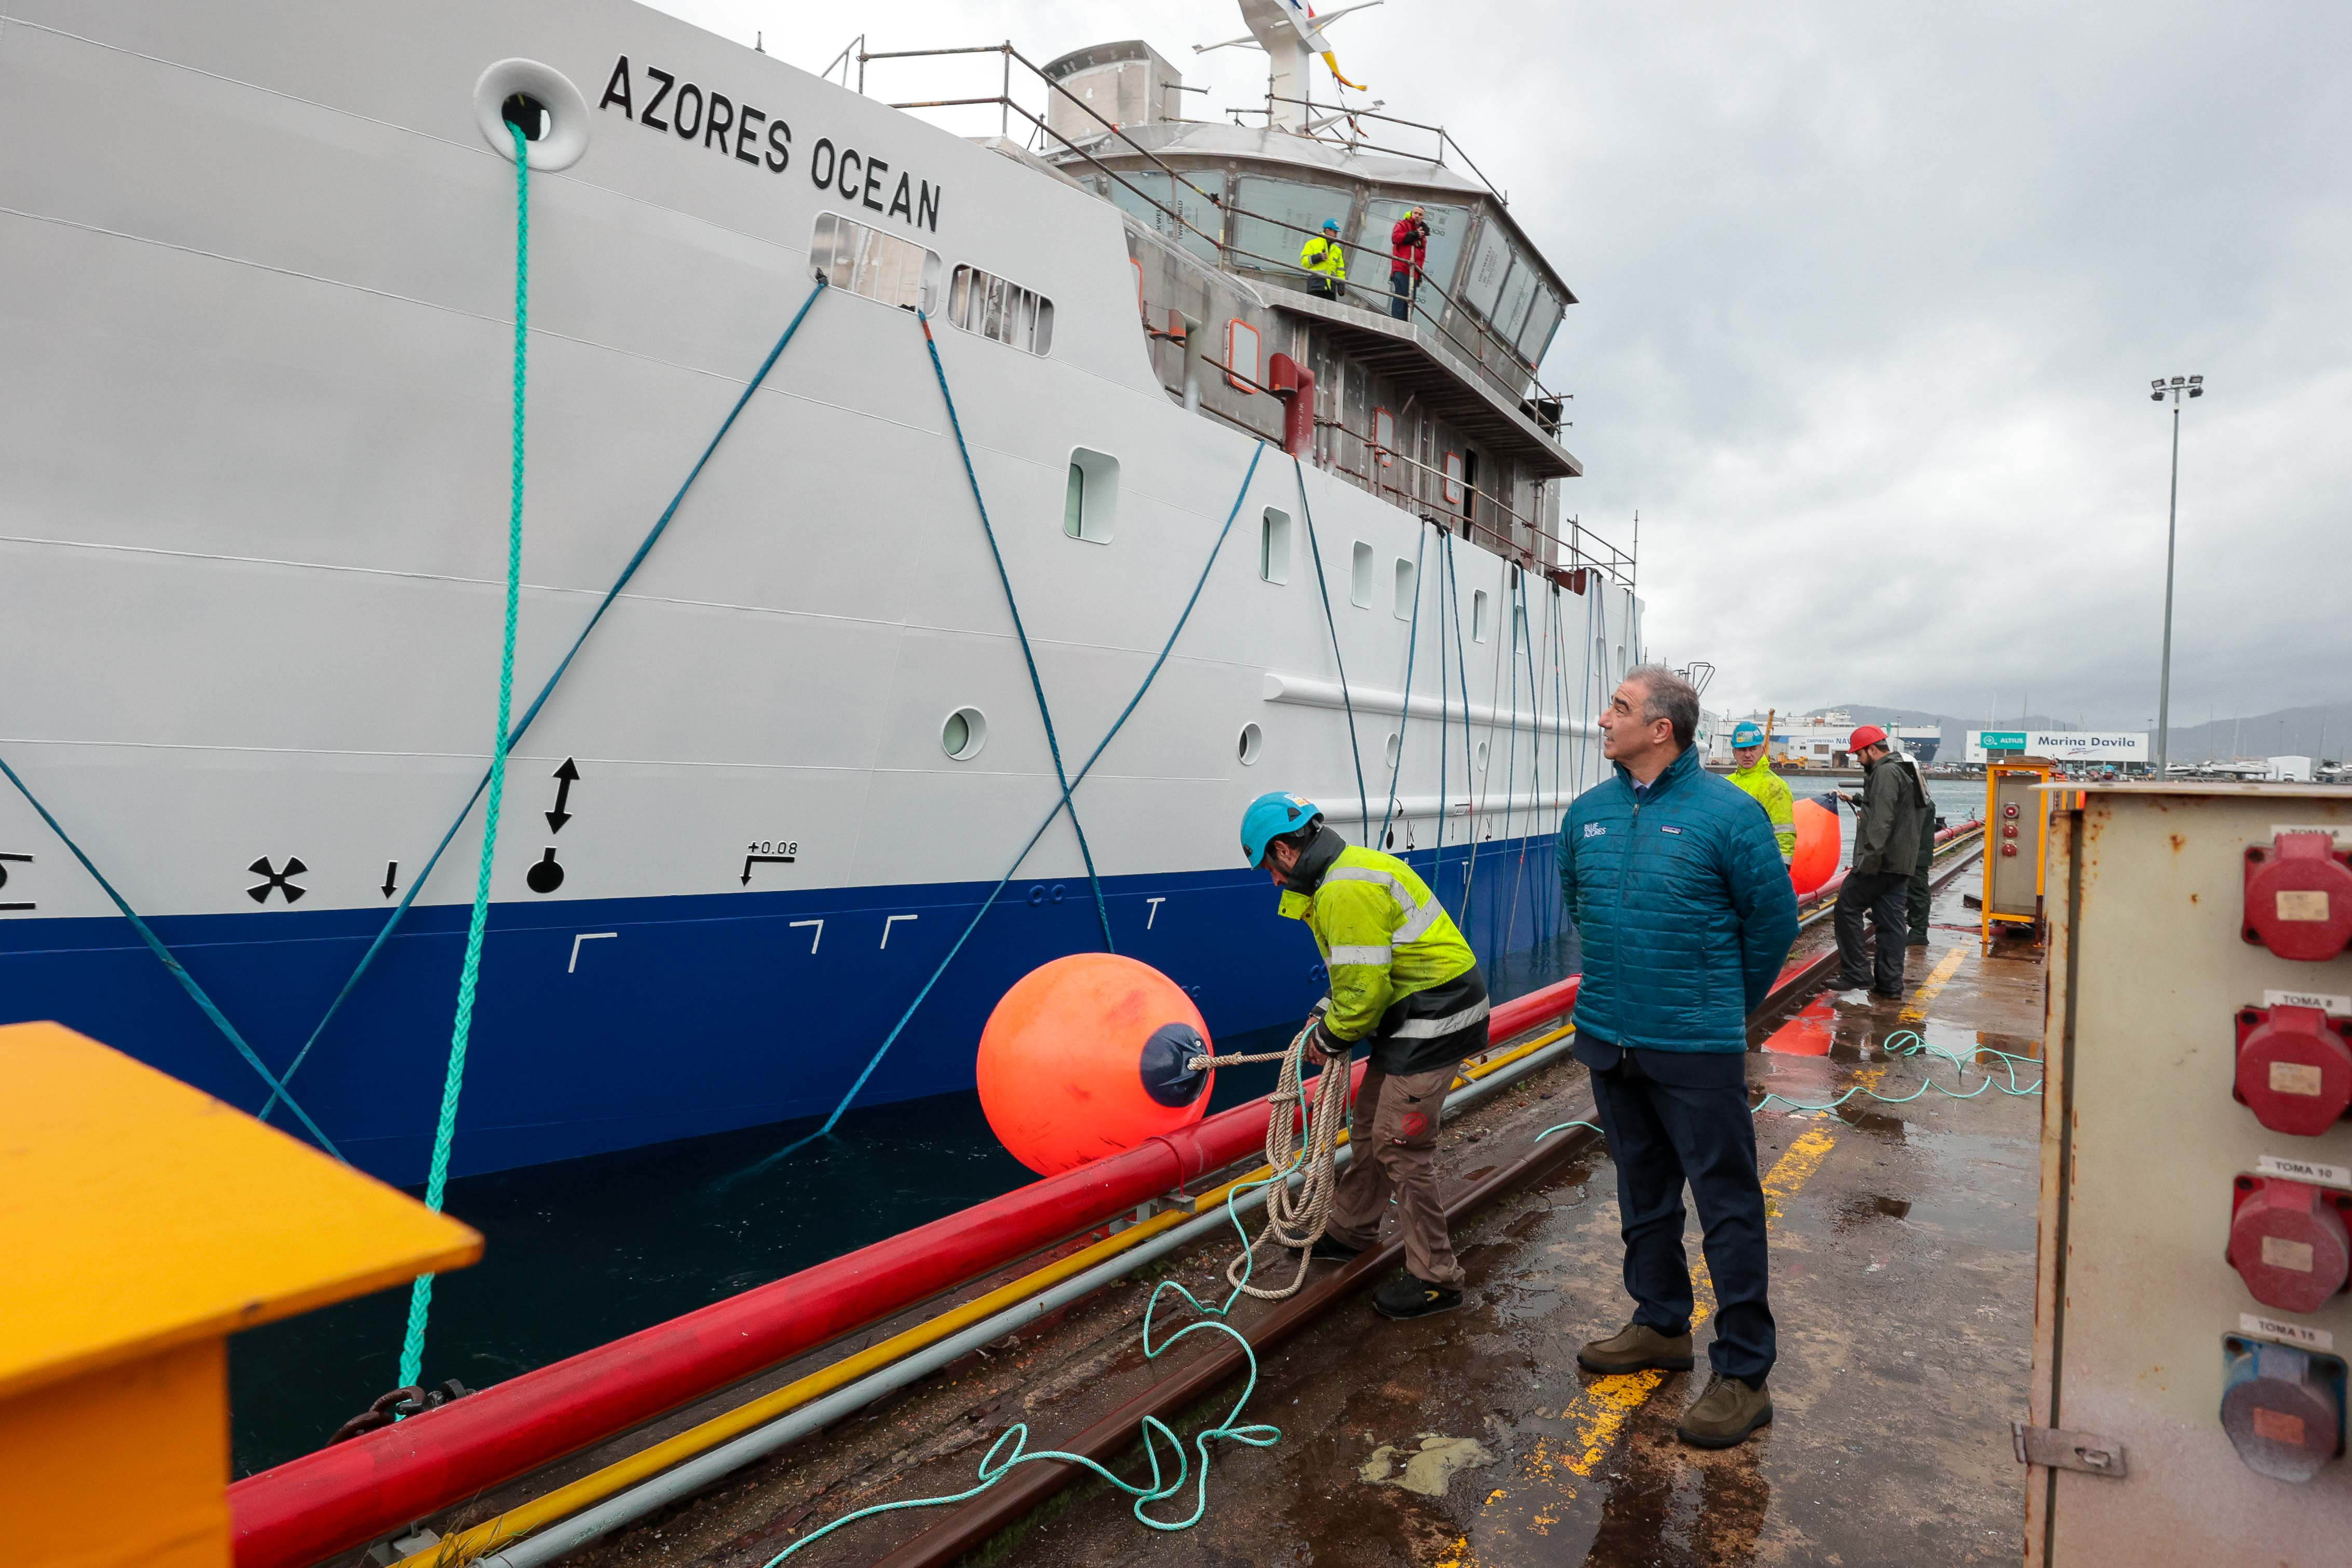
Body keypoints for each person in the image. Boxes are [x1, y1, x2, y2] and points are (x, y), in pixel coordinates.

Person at [1556, 667, 1799, 1449]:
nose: (1604, 718)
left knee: (1725, 1203)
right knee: (1643, 1193)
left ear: (1661, 728)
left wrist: (1719, 1005)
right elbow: (1581, 905)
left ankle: (1742, 1373)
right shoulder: (1587, 813)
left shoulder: (1726, 815)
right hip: (1608, 1035)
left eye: (1619, 709)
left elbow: (1771, 921)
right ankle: (1660, 1323)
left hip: (1694, 1045)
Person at [1240, 790, 1489, 1319]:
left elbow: (1366, 993)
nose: (1274, 882)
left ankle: (1436, 1279)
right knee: (1372, 1121)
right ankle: (1351, 1229)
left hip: (1434, 1020)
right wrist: (1328, 1011)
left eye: (1269, 868)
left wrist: (1331, 1036)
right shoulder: (1348, 872)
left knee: (1400, 1143)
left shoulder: (1340, 892)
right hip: (1417, 1013)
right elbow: (1364, 970)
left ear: (1285, 851)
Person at [1830, 725, 1924, 999]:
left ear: (1872, 750)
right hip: (1902, 862)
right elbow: (1898, 809)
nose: (1857, 760)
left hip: (1881, 862)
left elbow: (1883, 821)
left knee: (1846, 907)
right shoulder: (1904, 768)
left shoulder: (1884, 772)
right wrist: (1860, 801)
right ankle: (1890, 986)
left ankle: (1856, 973)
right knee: (1891, 922)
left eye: (1859, 754)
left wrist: (1867, 863)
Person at [1724, 720, 1794, 867]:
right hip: (1731, 864)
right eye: (1742, 750)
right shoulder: (1727, 784)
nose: (1748, 754)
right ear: (1734, 753)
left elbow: (1784, 831)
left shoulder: (1775, 786)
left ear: (1762, 750)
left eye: (1753, 749)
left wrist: (1783, 867)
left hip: (1760, 864)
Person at [1892, 744, 1938, 945]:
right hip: (1909, 853)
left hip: (1916, 855)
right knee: (1896, 887)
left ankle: (1919, 931)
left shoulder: (1920, 799)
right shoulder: (1915, 792)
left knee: (1918, 892)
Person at [1388, 207, 1430, 321]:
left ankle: (1406, 325)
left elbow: (1421, 257)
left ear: (1423, 218)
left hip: (1414, 273)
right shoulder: (1402, 225)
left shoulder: (1423, 235)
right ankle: (1396, 323)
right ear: (1411, 214)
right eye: (1415, 213)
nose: (1417, 216)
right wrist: (1414, 234)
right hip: (1401, 268)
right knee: (1401, 295)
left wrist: (1420, 275)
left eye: (1420, 214)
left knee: (1410, 301)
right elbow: (1396, 238)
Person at [1299, 219, 1347, 301]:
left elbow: (1341, 270)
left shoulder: (1337, 251)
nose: (1336, 236)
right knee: (1312, 311)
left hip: (1331, 288)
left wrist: (1341, 284)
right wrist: (1318, 258)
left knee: (1329, 313)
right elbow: (1304, 262)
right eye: (1335, 232)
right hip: (1315, 285)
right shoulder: (1312, 244)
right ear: (1328, 230)